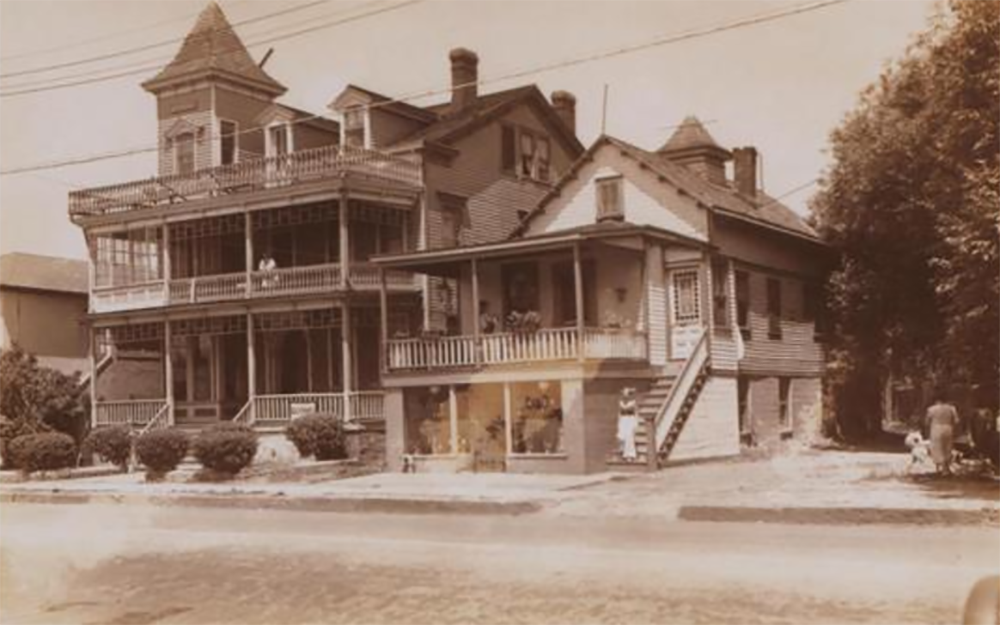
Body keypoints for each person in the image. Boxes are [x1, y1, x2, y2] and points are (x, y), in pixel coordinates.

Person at [926, 390, 960, 476]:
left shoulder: (931, 409)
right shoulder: (952, 408)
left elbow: (927, 421)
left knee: (938, 448)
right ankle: (946, 468)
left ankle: (942, 468)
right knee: (947, 448)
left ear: (936, 400)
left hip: (936, 428)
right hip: (948, 428)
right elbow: (957, 421)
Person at [617, 387, 639, 462]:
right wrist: (619, 422)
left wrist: (636, 422)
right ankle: (624, 453)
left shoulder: (633, 402)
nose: (625, 394)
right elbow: (619, 413)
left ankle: (630, 455)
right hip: (623, 420)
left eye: (626, 393)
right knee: (622, 437)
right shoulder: (621, 402)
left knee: (629, 437)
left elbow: (636, 412)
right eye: (624, 393)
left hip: (630, 419)